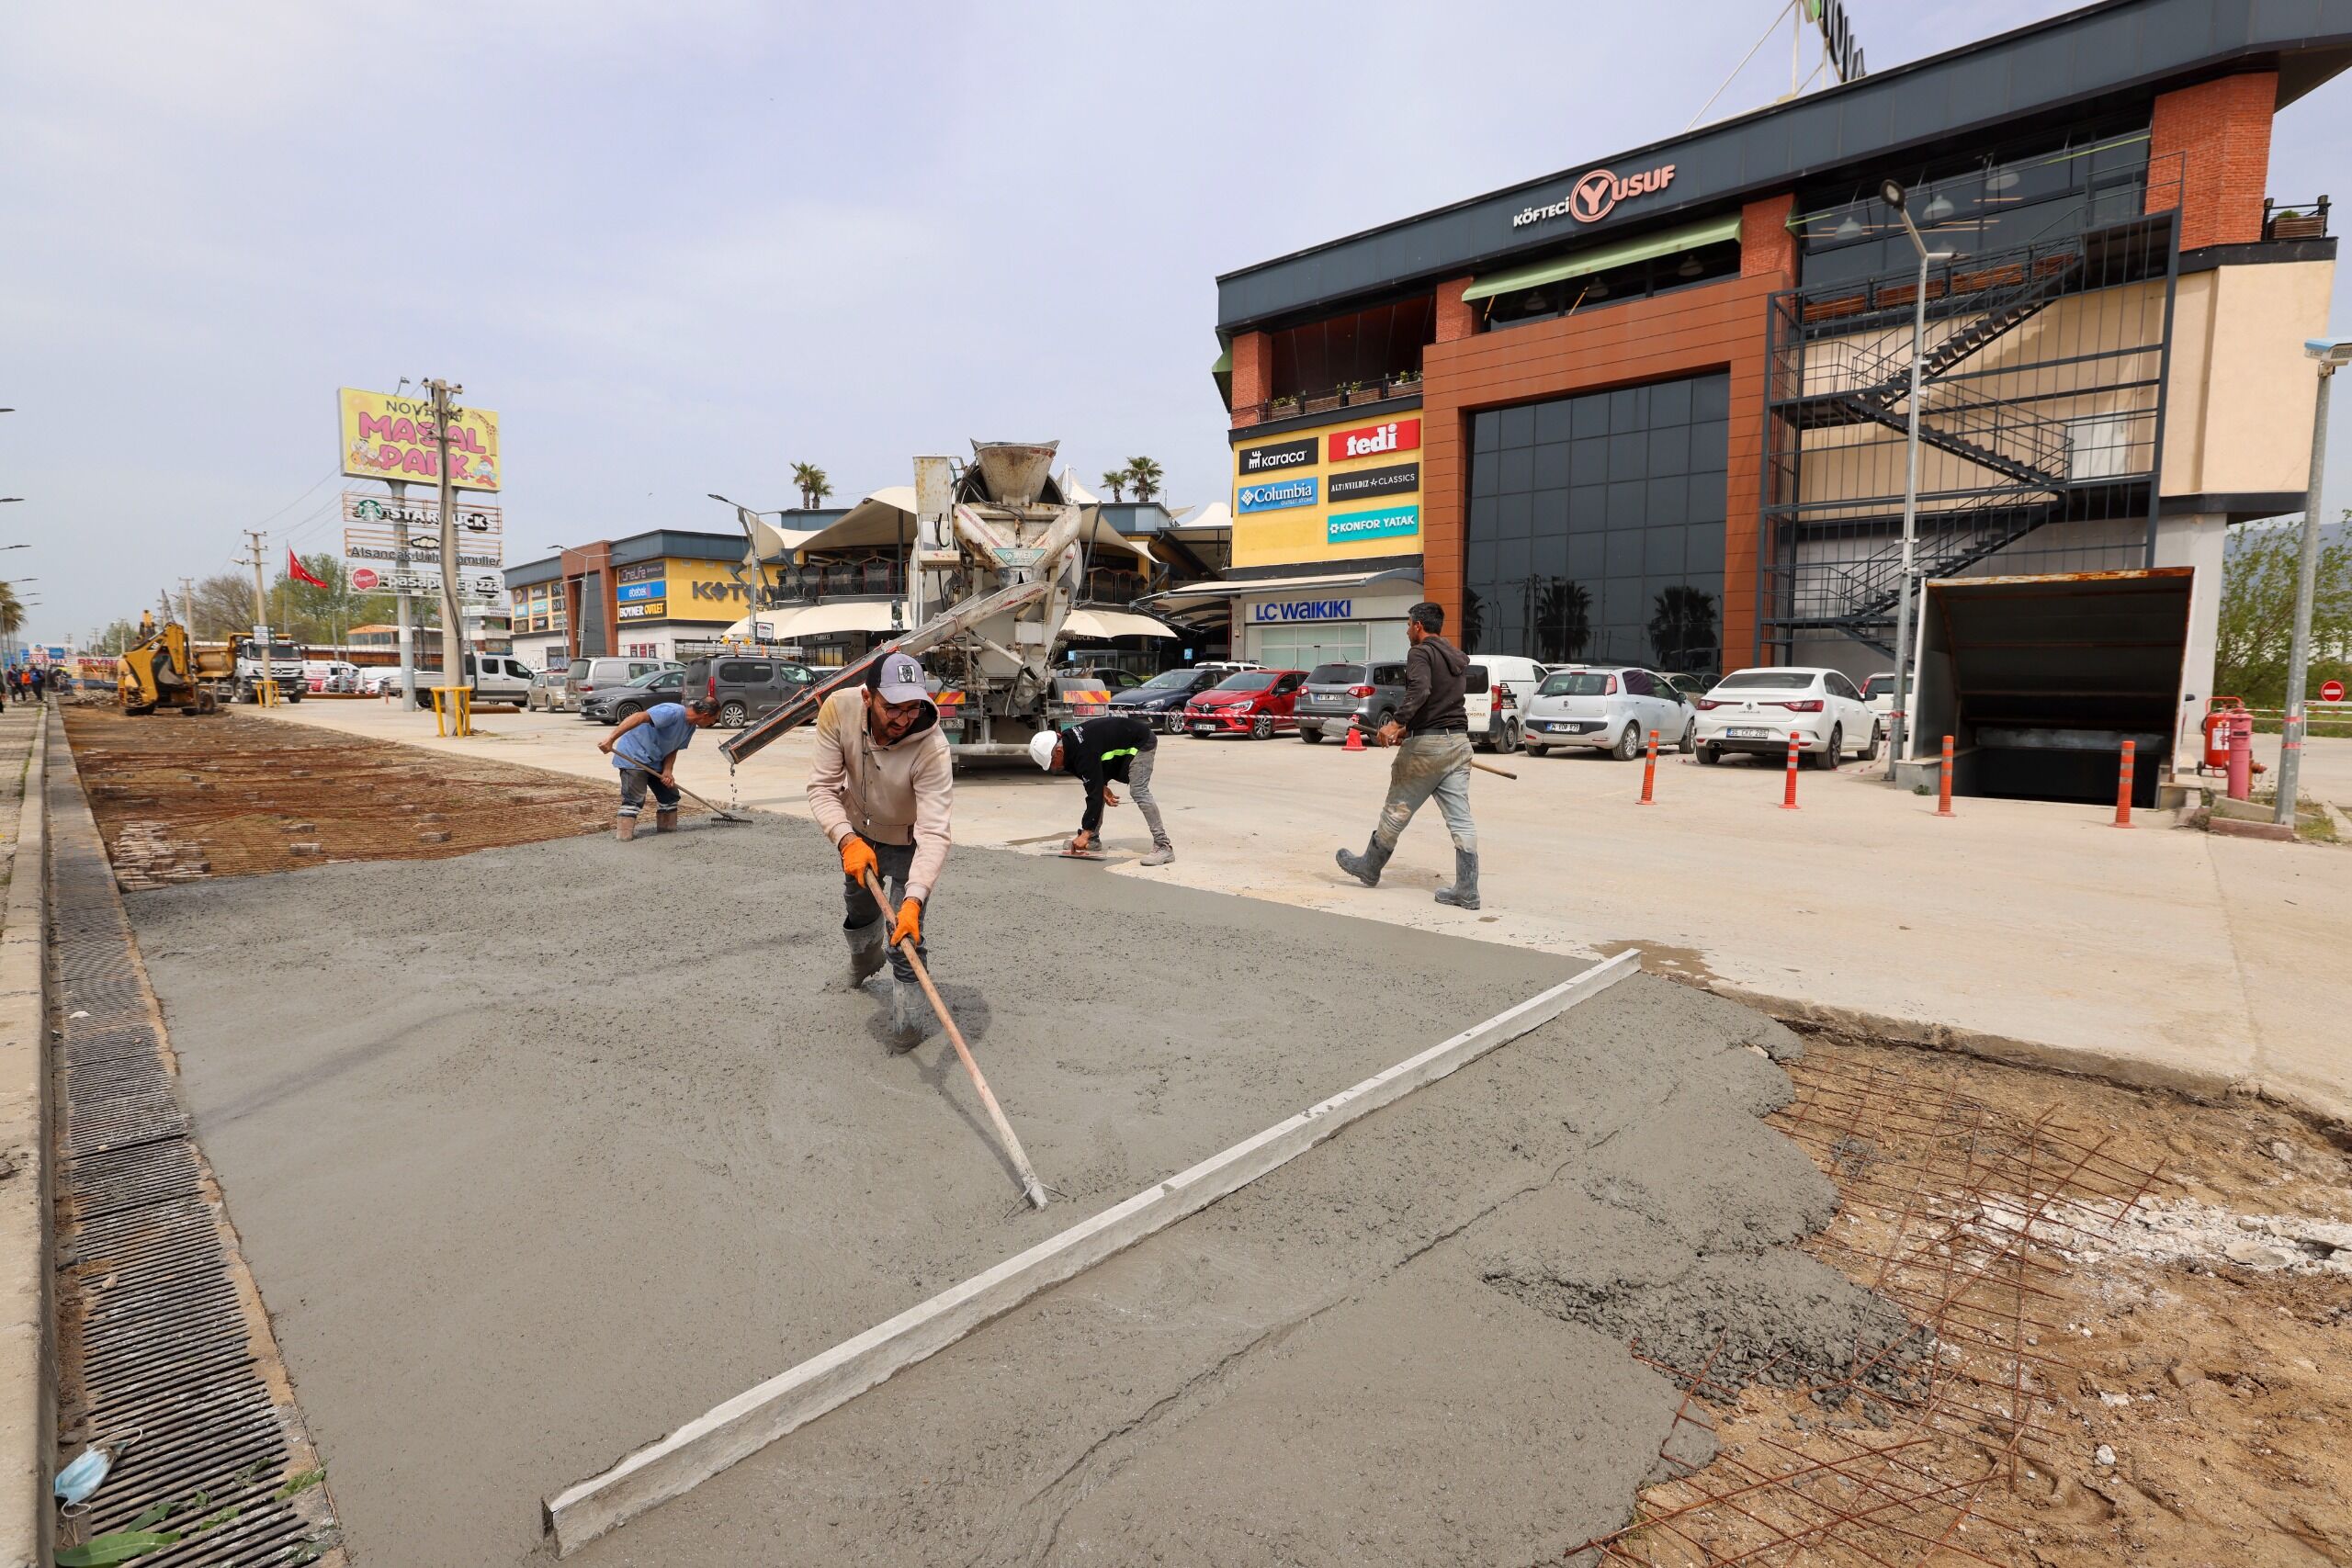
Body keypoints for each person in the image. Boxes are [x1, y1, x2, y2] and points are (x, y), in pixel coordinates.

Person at [807, 650, 953, 1042]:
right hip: (859, 835)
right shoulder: (839, 710)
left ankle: (907, 1026)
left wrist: (915, 899)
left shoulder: (932, 748)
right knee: (858, 907)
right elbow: (822, 787)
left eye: (912, 708)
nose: (903, 719)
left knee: (906, 934)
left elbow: (935, 831)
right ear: (868, 697)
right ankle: (862, 961)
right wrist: (846, 839)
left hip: (908, 842)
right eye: (892, 708)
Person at [1335, 601, 1480, 909]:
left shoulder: (1420, 653)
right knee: (1461, 820)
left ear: (1418, 626)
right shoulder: (1454, 658)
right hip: (1457, 744)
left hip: (1427, 750)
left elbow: (1421, 691)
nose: (1406, 629)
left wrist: (1397, 723)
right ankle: (1467, 890)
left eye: (1408, 623)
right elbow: (1438, 703)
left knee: (1396, 809)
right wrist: (1407, 729)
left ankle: (1370, 867)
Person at [1026, 713, 1174, 865]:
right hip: (1121, 741)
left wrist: (1085, 831)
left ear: (1058, 752)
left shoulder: (1083, 752)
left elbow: (1093, 793)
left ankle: (1163, 846)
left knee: (1139, 791)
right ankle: (1093, 839)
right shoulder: (1069, 742)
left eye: (1051, 763)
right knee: (1098, 789)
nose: (1053, 768)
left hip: (1141, 742)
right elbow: (1090, 782)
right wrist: (1101, 786)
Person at [596, 695, 719, 840]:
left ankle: (666, 834)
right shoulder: (672, 712)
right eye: (714, 719)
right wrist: (610, 739)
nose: (714, 722)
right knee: (634, 800)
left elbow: (674, 748)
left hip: (656, 761)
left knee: (670, 796)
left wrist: (668, 771)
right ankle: (624, 838)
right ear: (705, 715)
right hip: (634, 755)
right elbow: (639, 716)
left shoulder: (690, 727)